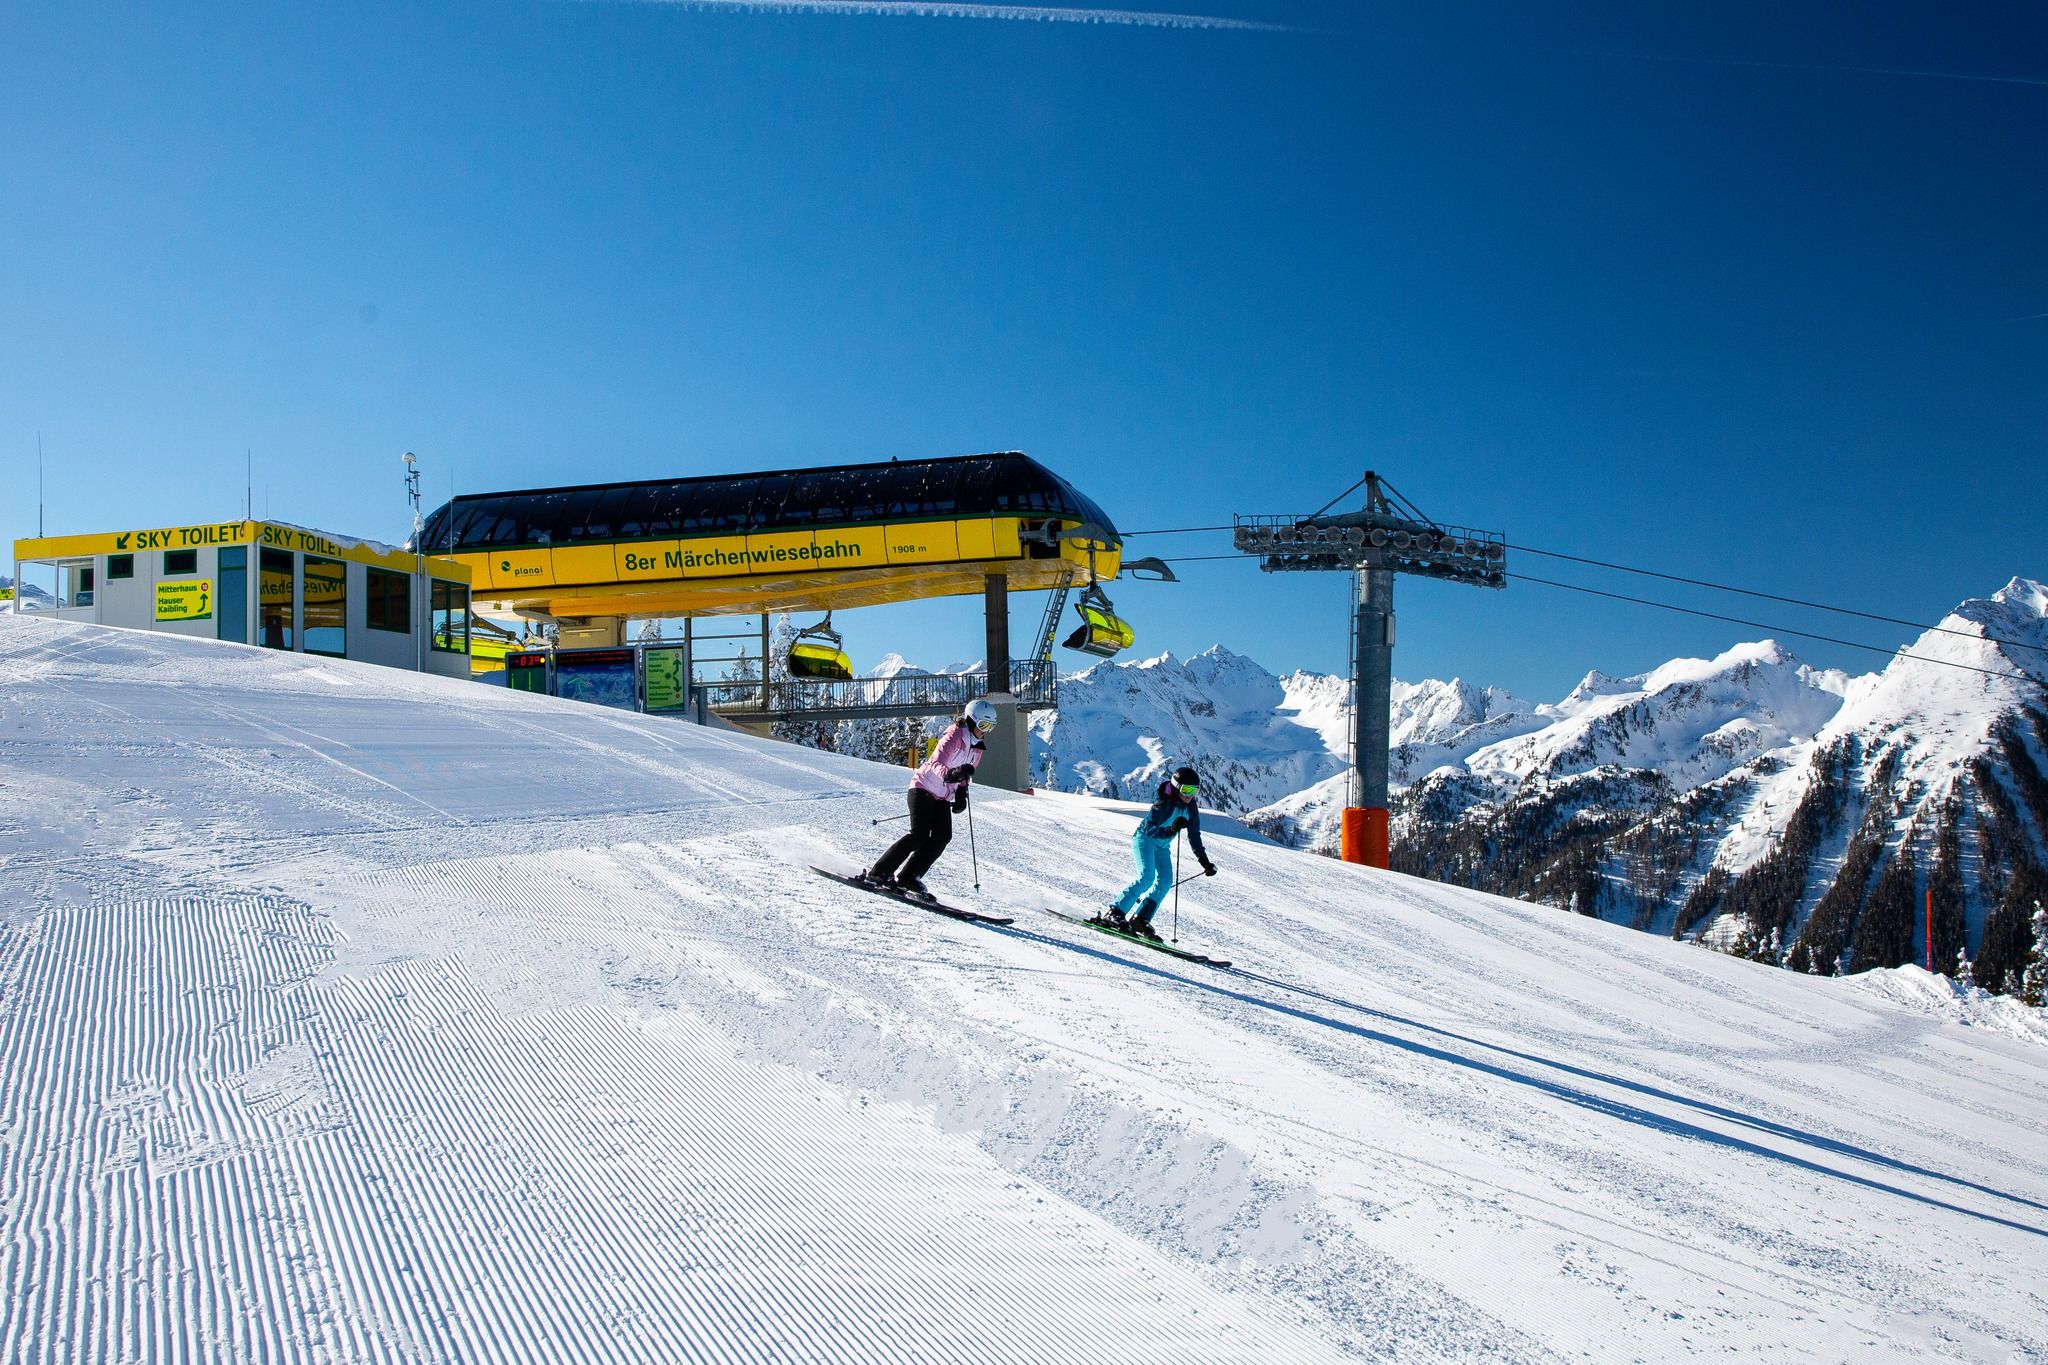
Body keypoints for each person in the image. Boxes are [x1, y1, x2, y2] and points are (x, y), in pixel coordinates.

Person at [861, 698, 994, 900]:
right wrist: (951, 775)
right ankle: (880, 872)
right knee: (919, 834)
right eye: (984, 725)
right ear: (972, 720)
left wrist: (960, 792)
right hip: (922, 787)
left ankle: (909, 876)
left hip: (942, 795)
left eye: (991, 727)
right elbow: (935, 762)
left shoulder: (978, 748)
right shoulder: (954, 736)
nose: (986, 731)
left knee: (942, 836)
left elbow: (967, 774)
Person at [1098, 765, 1216, 941]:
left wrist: (1204, 862)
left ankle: (1140, 919)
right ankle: (1115, 912)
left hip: (1162, 847)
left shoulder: (1190, 807)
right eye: (1186, 789)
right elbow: (1149, 829)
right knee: (1147, 877)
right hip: (1144, 840)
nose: (1190, 794)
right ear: (1176, 787)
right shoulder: (1163, 803)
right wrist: (1170, 829)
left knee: (1166, 881)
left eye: (1195, 790)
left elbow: (1194, 836)